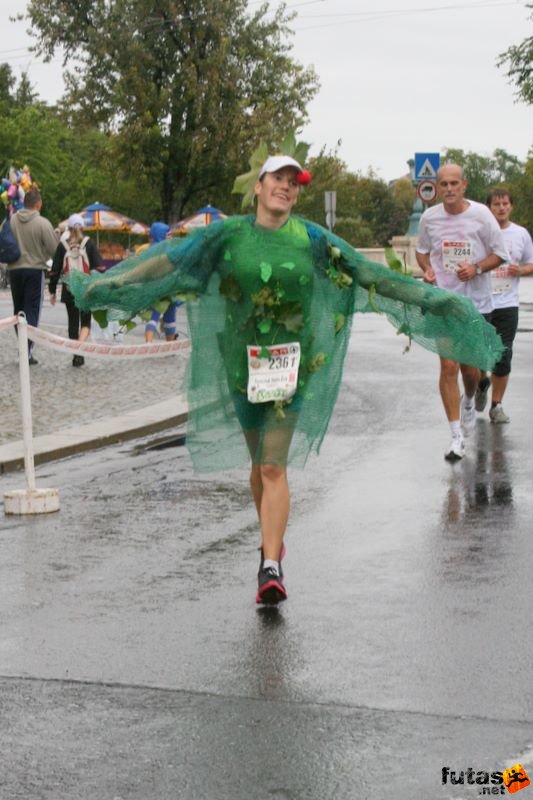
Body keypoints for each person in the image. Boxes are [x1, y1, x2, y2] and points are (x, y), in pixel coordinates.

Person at [68, 154, 503, 605]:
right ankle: (270, 539)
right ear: (258, 186)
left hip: (289, 365)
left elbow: (367, 272)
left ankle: (271, 565)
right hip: (241, 363)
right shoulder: (227, 234)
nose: (287, 187)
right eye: (279, 178)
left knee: (273, 466)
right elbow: (169, 262)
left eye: (294, 183)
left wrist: (434, 301)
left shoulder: (312, 238)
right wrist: (111, 284)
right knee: (258, 464)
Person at [416, 163, 508, 462]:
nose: (449, 189)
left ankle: (469, 399)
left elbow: (500, 254)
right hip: (444, 302)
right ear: (437, 187)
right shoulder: (429, 218)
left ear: (464, 184)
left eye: (455, 183)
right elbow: (421, 250)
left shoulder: (481, 215)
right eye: (444, 184)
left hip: (476, 304)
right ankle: (456, 436)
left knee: (471, 371)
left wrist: (477, 267)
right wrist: (427, 269)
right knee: (448, 368)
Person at [474, 189, 533, 423]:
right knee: (479, 353)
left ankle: (496, 405)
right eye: (496, 204)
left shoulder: (521, 234)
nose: (501, 208)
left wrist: (521, 270)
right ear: (488, 207)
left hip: (507, 303)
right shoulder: (479, 232)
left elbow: (531, 263)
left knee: (504, 354)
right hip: (480, 301)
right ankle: (481, 383)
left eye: (505, 204)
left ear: (511, 207)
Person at [8, 187, 58, 365]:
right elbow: (54, 250)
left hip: (14, 270)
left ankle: (23, 347)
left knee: (18, 310)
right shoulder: (43, 223)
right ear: (39, 204)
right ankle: (26, 350)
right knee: (32, 310)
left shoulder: (11, 220)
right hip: (34, 270)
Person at [49, 213, 104, 366]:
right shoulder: (89, 244)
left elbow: (54, 270)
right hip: (86, 290)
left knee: (72, 322)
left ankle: (76, 353)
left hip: (69, 289)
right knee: (85, 322)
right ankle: (81, 349)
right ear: (82, 227)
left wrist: (52, 290)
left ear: (69, 228)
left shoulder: (63, 245)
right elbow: (100, 267)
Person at [142, 222, 181, 342]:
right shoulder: (169, 249)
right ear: (161, 234)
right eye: (167, 233)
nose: (169, 236)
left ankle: (149, 343)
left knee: (154, 315)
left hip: (154, 288)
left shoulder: (149, 250)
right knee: (169, 316)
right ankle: (169, 344)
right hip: (167, 287)